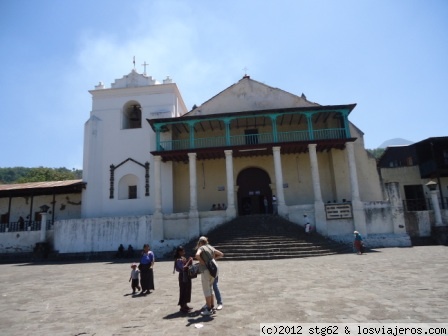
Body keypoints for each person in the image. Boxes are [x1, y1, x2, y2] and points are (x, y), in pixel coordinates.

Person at [195, 236, 224, 316]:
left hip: (206, 270)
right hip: (214, 269)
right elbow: (221, 254)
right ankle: (212, 306)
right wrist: (213, 259)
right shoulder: (210, 247)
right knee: (211, 288)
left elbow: (197, 255)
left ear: (200, 242)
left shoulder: (201, 248)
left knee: (206, 290)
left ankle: (208, 308)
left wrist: (202, 261)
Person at [173, 246, 193, 313]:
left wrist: (190, 261)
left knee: (187, 289)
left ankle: (185, 304)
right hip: (182, 276)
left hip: (187, 275)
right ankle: (182, 305)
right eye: (182, 251)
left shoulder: (182, 258)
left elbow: (188, 266)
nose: (184, 252)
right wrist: (189, 261)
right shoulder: (178, 260)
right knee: (183, 290)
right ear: (179, 252)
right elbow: (183, 268)